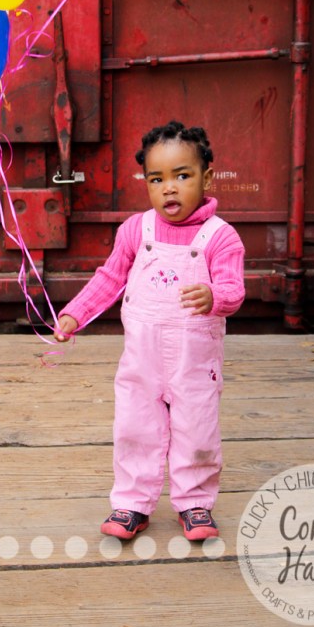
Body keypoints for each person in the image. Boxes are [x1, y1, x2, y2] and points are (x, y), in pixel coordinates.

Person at [55, 120, 245, 541]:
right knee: (134, 427)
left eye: (182, 176)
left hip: (195, 365)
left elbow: (234, 289)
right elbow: (109, 278)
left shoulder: (220, 237)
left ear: (206, 177)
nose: (169, 188)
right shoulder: (135, 231)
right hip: (142, 359)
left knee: (197, 430)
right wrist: (75, 314)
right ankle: (131, 504)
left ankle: (194, 504)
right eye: (156, 179)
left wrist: (214, 296)